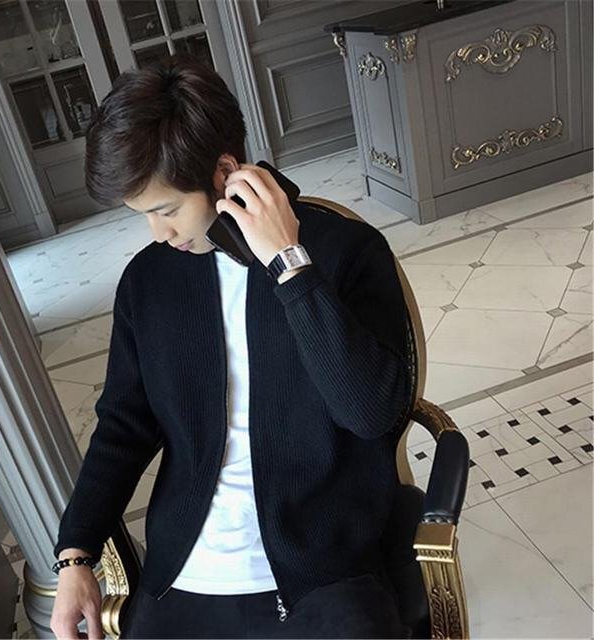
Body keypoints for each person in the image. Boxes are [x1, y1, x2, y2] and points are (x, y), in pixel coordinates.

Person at [50, 54, 413, 640]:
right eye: (143, 216)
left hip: (320, 564)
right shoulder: (150, 281)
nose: (160, 234)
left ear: (223, 172)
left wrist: (290, 268)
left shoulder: (345, 252)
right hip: (188, 566)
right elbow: (122, 425)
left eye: (167, 210)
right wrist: (75, 553)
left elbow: (371, 413)